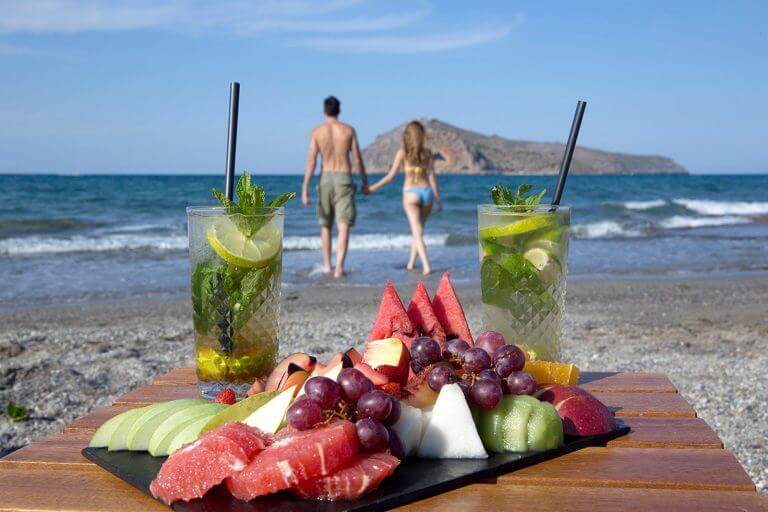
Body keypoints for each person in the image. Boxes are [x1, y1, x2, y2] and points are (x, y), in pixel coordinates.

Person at [302, 96, 369, 278]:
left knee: (325, 224)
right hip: (344, 178)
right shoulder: (348, 130)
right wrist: (364, 181)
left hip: (325, 178)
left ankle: (327, 266)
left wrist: (305, 187)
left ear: (324, 111)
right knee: (343, 224)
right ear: (339, 110)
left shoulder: (317, 132)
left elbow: (311, 161)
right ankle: (339, 267)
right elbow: (357, 159)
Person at [369, 120, 442, 275]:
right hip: (426, 192)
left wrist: (372, 188)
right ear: (421, 135)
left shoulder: (402, 153)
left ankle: (426, 266)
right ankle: (410, 263)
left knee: (416, 232)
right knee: (419, 232)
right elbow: (432, 177)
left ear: (407, 136)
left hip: (410, 193)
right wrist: (438, 199)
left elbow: (390, 177)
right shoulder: (427, 153)